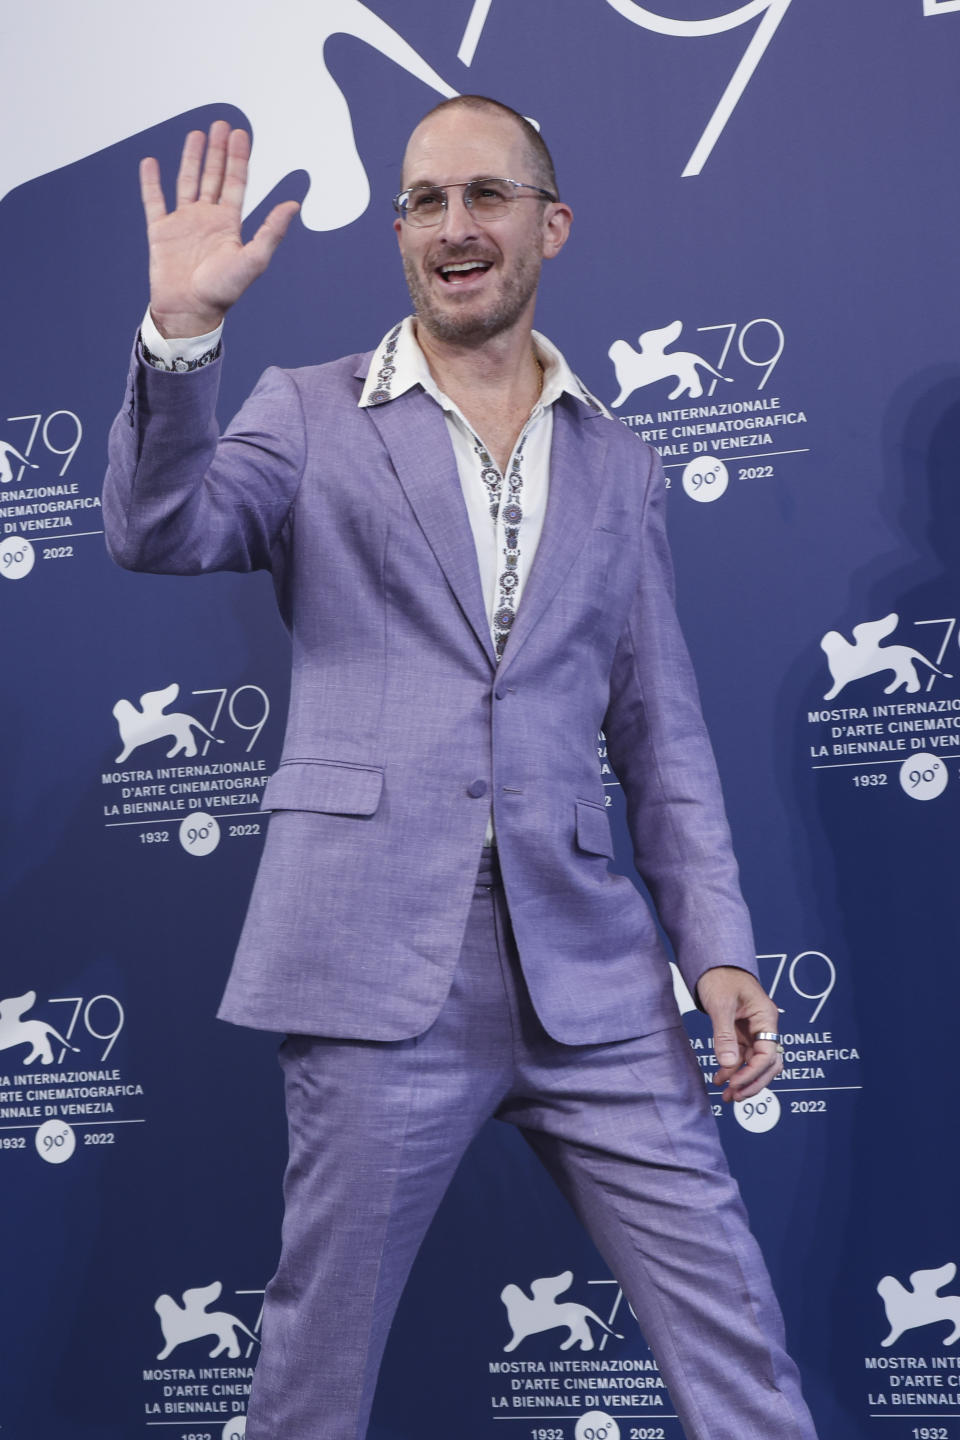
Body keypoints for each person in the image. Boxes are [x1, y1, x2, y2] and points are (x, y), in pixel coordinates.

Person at [103, 98, 818, 1440]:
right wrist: (184, 335)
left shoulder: (623, 465)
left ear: (549, 224)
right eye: (424, 203)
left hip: (594, 979)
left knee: (740, 1351)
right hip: (372, 971)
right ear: (401, 234)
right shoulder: (307, 415)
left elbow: (660, 737)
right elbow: (158, 531)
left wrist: (716, 947)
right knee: (312, 1378)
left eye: (485, 197)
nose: (454, 229)